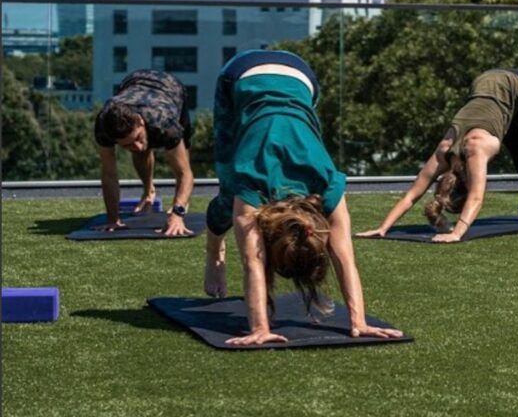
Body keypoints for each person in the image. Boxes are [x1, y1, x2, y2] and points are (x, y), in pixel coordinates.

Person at [203, 49, 403, 347]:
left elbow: (344, 260)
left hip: (302, 77)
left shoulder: (327, 185)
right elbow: (253, 262)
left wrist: (359, 322)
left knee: (296, 125)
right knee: (227, 189)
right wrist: (259, 328)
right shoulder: (251, 181)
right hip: (241, 76)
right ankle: (212, 251)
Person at [358, 68, 518, 243]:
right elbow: (411, 196)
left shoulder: (476, 148)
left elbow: (476, 197)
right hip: (484, 83)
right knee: (517, 150)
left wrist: (457, 233)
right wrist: (383, 228)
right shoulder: (444, 151)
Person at [94, 69, 195, 236]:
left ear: (140, 121)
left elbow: (185, 174)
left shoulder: (165, 123)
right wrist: (113, 220)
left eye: (138, 137)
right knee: (140, 151)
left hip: (171, 86)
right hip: (132, 82)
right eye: (127, 145)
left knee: (182, 158)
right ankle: (148, 193)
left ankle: (182, 203)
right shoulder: (103, 126)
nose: (138, 146)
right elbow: (109, 175)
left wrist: (178, 214)